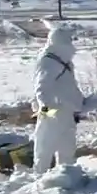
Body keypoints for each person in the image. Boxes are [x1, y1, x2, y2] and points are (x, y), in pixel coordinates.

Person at [31, 22, 88, 174]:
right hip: (53, 113)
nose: (71, 45)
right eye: (68, 40)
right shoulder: (49, 62)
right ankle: (39, 178)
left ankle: (65, 178)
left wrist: (81, 104)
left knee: (67, 150)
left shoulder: (62, 61)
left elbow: (67, 88)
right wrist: (49, 112)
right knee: (45, 148)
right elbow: (41, 89)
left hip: (66, 113)